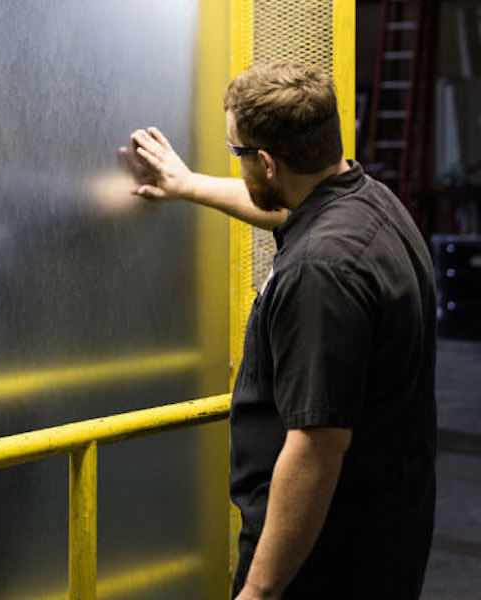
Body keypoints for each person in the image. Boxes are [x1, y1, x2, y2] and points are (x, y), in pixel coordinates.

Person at [125, 61, 436, 599]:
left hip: (322, 563)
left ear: (266, 162)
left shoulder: (321, 272)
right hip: (383, 536)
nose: (236, 163)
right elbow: (289, 214)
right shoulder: (368, 202)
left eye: (236, 153)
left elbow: (316, 448)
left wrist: (259, 592)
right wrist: (188, 184)